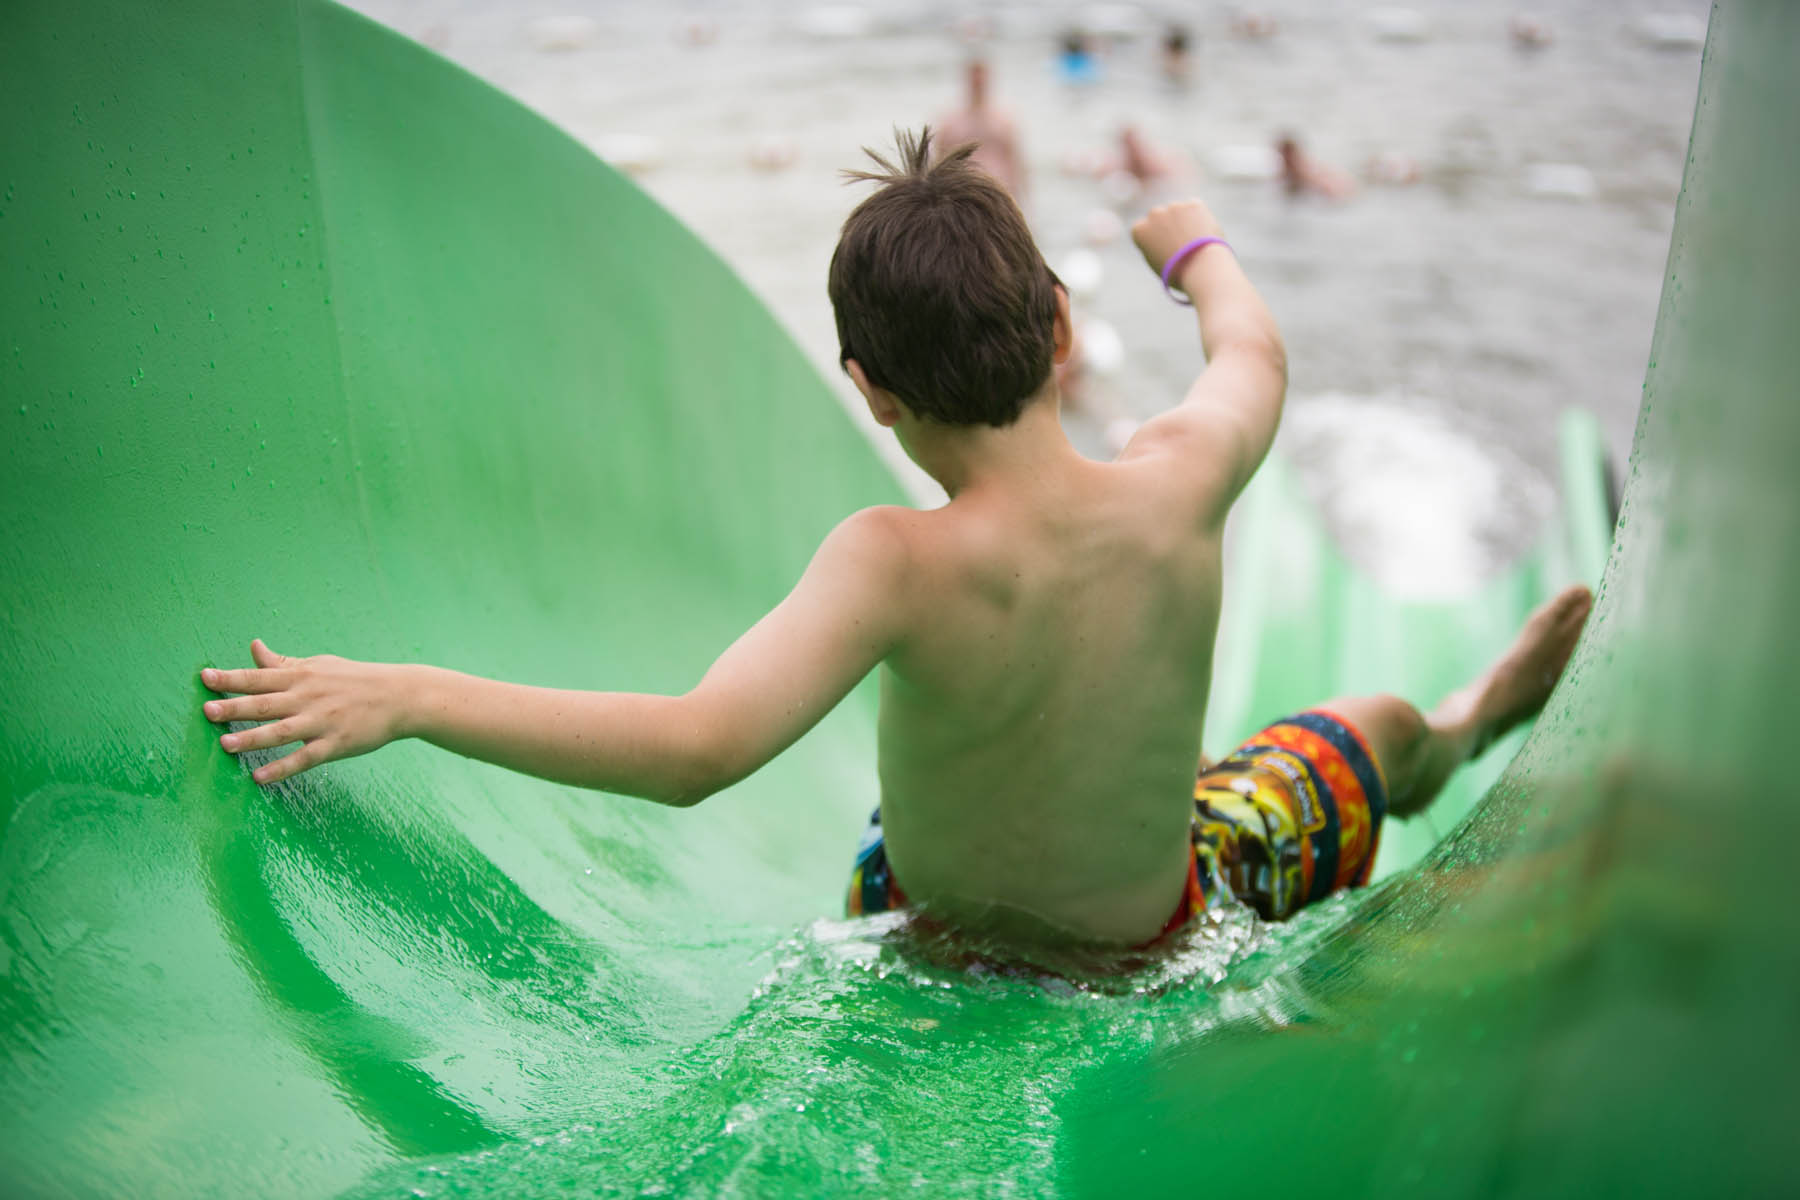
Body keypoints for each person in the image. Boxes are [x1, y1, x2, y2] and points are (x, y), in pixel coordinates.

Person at [201, 129, 1590, 950]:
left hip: (925, 932)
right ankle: (1465, 726)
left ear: (868, 390)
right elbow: (1254, 350)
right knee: (1369, 724)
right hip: (1160, 932)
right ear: (1060, 328)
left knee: (907, 816)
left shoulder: (892, 564)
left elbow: (695, 751)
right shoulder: (1184, 474)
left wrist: (412, 697)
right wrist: (1194, 246)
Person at [934, 59, 1026, 201]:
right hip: (962, 194)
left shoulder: (1004, 120)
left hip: (999, 193)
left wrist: (1022, 199)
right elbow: (938, 163)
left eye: (981, 80)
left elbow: (1015, 162)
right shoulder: (951, 122)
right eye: (974, 80)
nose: (978, 84)